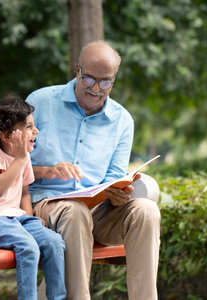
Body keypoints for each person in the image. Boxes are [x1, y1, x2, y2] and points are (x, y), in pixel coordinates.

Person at [26, 41, 161, 300]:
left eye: (105, 82)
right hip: (47, 207)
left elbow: (114, 178)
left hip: (97, 211)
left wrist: (118, 193)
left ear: (114, 80)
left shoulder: (122, 120)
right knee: (75, 212)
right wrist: (49, 171)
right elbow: (12, 165)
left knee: (146, 211)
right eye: (88, 79)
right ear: (77, 71)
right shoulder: (40, 102)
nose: (96, 89)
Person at [0, 94, 67, 300]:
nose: (36, 131)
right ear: (6, 135)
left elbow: (24, 192)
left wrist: (30, 217)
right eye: (29, 126)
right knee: (28, 246)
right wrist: (20, 160)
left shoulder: (23, 157)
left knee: (54, 242)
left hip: (17, 218)